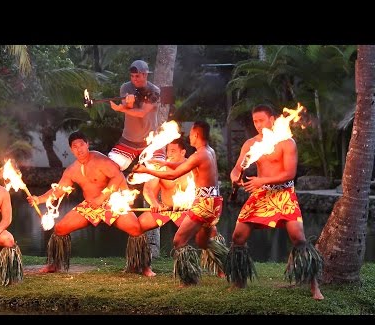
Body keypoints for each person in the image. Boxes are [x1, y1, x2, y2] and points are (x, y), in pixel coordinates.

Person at [228, 104, 324, 300]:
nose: (257, 125)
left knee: (298, 237)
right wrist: (235, 178)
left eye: (261, 120)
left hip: (284, 194)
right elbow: (237, 168)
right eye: (255, 121)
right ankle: (239, 281)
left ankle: (314, 286)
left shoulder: (287, 142)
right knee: (238, 237)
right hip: (261, 194)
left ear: (272, 119)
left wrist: (261, 180)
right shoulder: (251, 143)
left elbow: (289, 173)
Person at [27, 131, 155, 277]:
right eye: (75, 146)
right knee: (60, 229)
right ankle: (53, 264)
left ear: (87, 144)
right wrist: (39, 199)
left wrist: (102, 197)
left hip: (111, 202)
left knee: (135, 228)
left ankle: (143, 266)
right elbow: (58, 191)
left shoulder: (101, 160)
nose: (79, 149)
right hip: (90, 206)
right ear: (71, 149)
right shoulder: (72, 170)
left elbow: (118, 177)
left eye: (81, 144)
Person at [133, 121, 228, 286]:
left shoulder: (199, 155)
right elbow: (183, 165)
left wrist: (146, 170)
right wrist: (164, 163)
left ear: (197, 135)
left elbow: (172, 176)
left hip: (203, 204)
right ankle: (228, 264)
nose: (189, 136)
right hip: (213, 202)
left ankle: (189, 279)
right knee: (202, 242)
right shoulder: (208, 151)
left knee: (179, 241)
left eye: (191, 133)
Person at [108, 60, 165, 171]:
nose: (134, 79)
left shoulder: (154, 91)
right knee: (110, 168)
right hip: (128, 140)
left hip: (151, 141)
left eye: (137, 76)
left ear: (145, 74)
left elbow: (142, 113)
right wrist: (128, 103)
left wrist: (120, 109)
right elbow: (128, 108)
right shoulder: (125, 87)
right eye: (132, 76)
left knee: (159, 172)